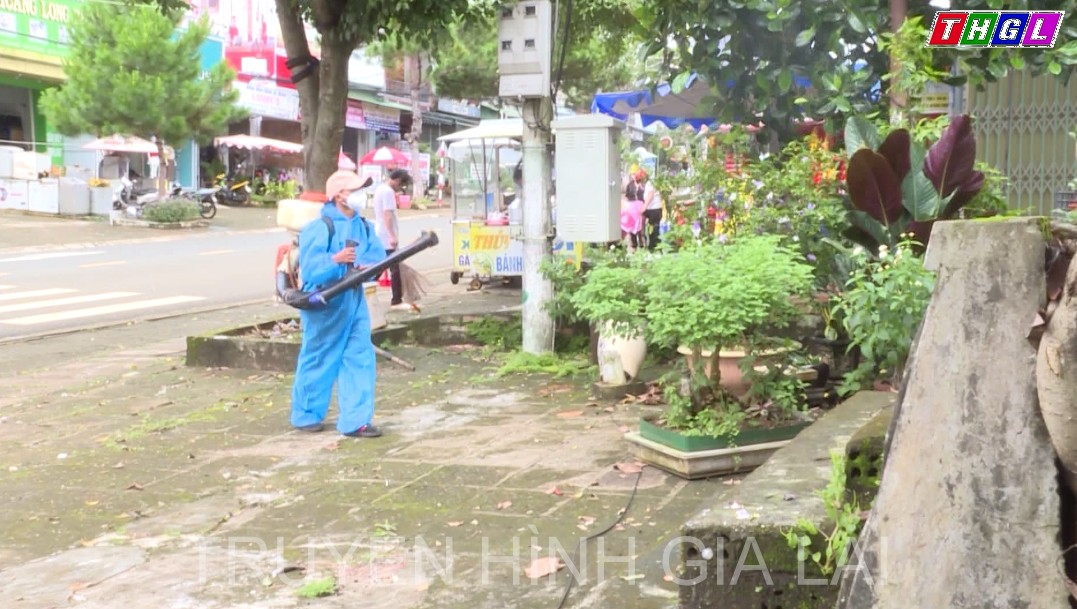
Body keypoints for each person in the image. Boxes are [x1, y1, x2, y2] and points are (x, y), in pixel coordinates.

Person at [291, 170, 387, 437]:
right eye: (355, 190)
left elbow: (377, 256)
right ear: (339, 196)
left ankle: (356, 420)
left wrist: (365, 265)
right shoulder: (319, 227)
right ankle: (306, 414)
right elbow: (311, 271)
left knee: (359, 357)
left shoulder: (364, 226)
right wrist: (336, 260)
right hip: (325, 303)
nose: (361, 194)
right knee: (318, 358)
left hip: (353, 300)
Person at [372, 169, 411, 310]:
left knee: (379, 267)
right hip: (386, 236)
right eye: (401, 185)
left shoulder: (380, 189)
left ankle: (364, 291)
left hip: (380, 233)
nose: (400, 188)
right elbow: (387, 215)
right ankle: (396, 300)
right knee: (394, 268)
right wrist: (392, 236)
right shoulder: (388, 192)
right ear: (398, 180)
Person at [621, 170, 646, 250]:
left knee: (641, 226)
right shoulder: (630, 185)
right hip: (632, 207)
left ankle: (642, 244)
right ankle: (634, 244)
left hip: (641, 207)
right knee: (632, 226)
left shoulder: (644, 185)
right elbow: (627, 196)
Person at [642, 171, 663, 251]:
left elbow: (650, 195)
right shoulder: (652, 183)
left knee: (653, 228)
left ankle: (653, 246)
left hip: (654, 209)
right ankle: (655, 246)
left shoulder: (650, 184)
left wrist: (644, 207)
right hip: (655, 209)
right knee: (653, 228)